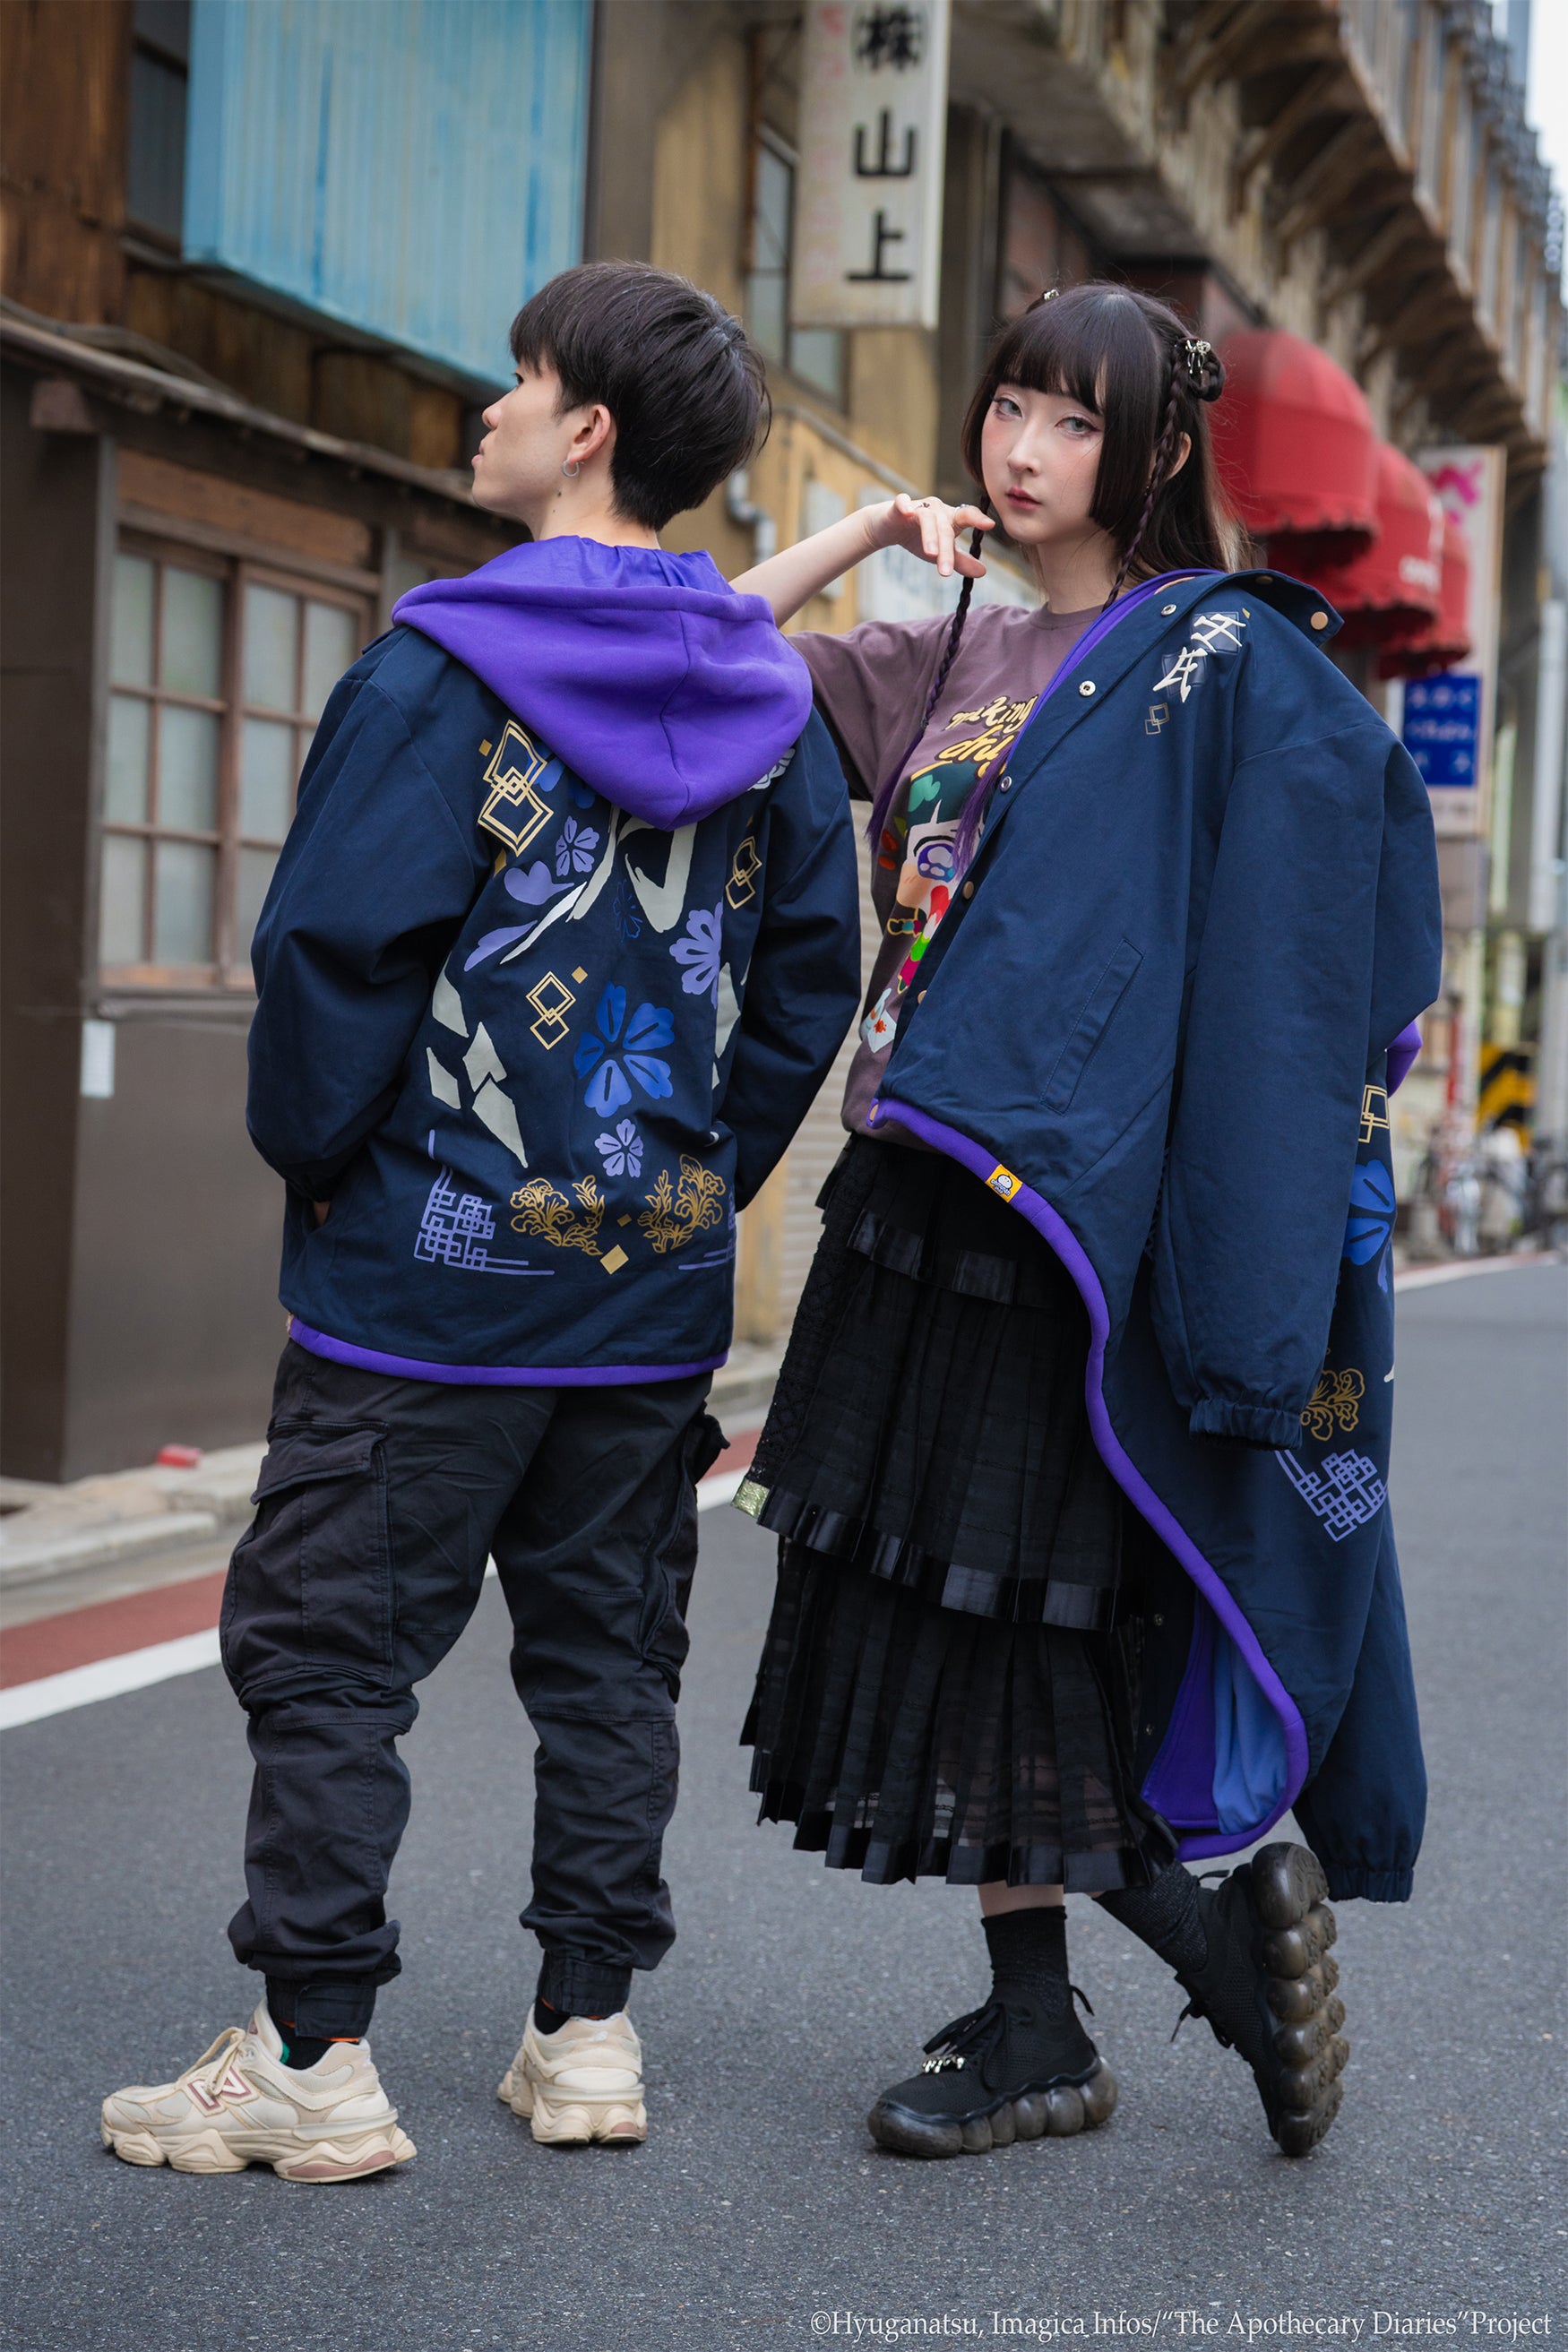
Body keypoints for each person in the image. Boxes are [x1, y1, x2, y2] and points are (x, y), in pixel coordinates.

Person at [99, 262, 861, 2183]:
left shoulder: (440, 670)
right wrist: (687, 1184)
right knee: (607, 1663)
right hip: (648, 1287)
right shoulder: (776, 707)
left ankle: (311, 2049)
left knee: (329, 1653)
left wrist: (323, 1160)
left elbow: (332, 951)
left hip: (421, 1284)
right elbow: (800, 990)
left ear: (584, 430)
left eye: (520, 378)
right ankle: (585, 2030)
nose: (491, 405)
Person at [729, 282, 1440, 2160]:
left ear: (1154, 451)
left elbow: (1342, 895)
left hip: (1064, 1221)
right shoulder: (941, 648)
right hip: (912, 1187)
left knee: (1017, 1606)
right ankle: (1046, 2014)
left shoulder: (1208, 654)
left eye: (1071, 420)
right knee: (951, 1597)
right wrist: (866, 536)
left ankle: (1171, 1967)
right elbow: (702, 661)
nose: (1022, 448)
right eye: (1006, 407)